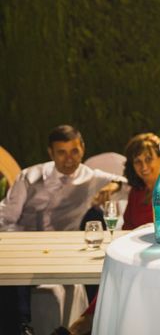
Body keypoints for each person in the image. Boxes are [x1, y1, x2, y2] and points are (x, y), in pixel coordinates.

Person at [56, 133, 160, 335]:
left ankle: (81, 326)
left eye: (148, 159)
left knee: (111, 286)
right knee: (110, 280)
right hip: (139, 260)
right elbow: (127, 230)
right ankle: (84, 326)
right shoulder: (136, 193)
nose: (143, 166)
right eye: (138, 161)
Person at [0, 125, 126, 335]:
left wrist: (114, 186)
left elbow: (128, 184)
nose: (69, 159)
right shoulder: (30, 176)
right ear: (51, 152)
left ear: (83, 148)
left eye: (74, 151)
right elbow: (6, 217)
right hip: (25, 244)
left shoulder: (91, 177)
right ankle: (21, 327)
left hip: (65, 251)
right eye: (61, 152)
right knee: (9, 267)